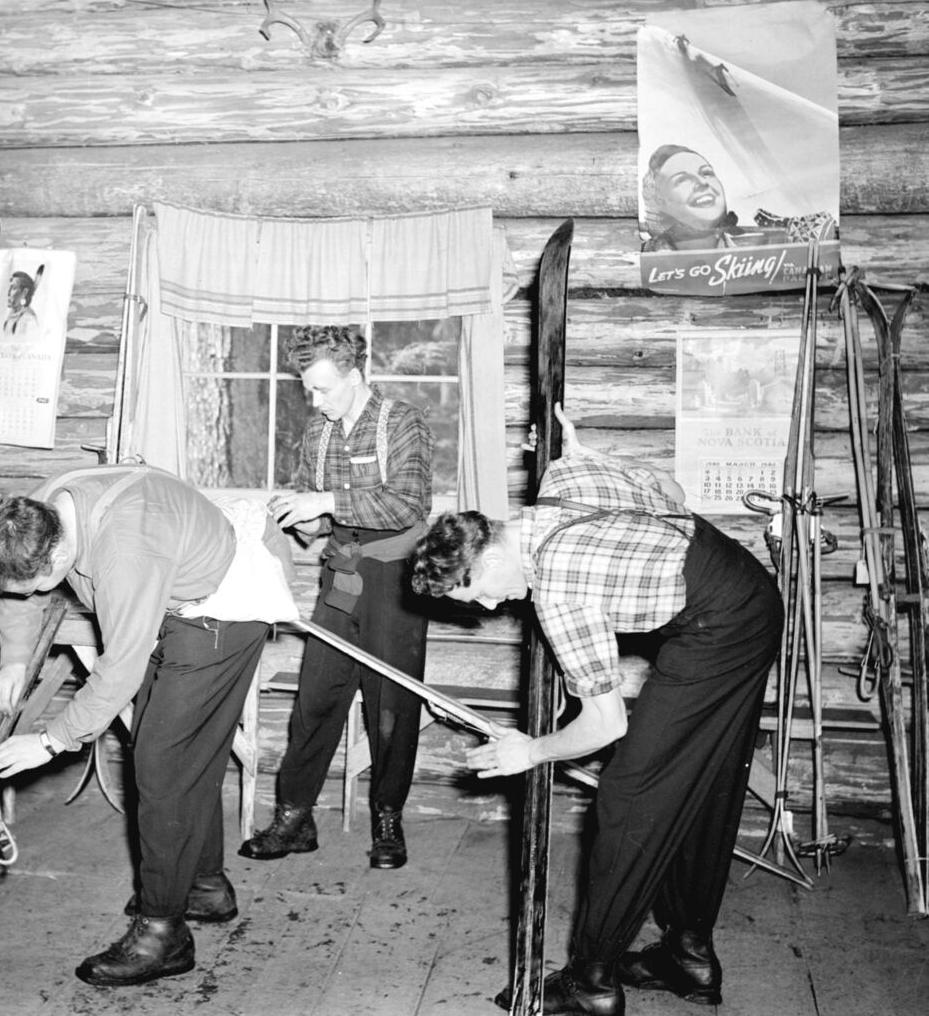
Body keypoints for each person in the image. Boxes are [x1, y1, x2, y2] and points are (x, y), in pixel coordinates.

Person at [409, 407, 781, 1015]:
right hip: (745, 586)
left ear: (491, 559)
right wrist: (582, 449)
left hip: (722, 629)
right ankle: (687, 955)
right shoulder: (562, 476)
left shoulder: (558, 590)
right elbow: (671, 490)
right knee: (699, 782)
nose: (490, 607)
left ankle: (592, 980)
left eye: (478, 594)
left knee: (630, 794)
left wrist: (531, 751)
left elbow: (606, 724)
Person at [0, 464, 296, 987]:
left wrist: (52, 740)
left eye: (39, 584)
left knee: (162, 765)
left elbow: (121, 667)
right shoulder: (34, 512)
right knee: (177, 755)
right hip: (176, 578)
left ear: (59, 555)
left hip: (225, 605)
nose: (32, 592)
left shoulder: (125, 552)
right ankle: (203, 886)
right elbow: (18, 593)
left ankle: (164, 935)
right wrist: (13, 659)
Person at [238, 326, 434, 870]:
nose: (315, 401)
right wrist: (301, 518)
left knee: (391, 705)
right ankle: (295, 816)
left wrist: (323, 502)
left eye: (324, 389)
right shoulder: (318, 431)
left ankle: (388, 819)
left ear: (355, 374)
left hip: (396, 579)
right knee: (316, 698)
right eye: (309, 389)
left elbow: (407, 505)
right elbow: (320, 516)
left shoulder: (403, 421)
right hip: (341, 573)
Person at [640, 144, 808, 253]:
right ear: (660, 201)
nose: (702, 183)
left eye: (706, 173)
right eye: (682, 180)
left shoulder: (760, 250)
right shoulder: (649, 259)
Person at [2, 268, 41, 336]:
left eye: (13, 288)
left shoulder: (29, 320)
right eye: (9, 288)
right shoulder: (11, 315)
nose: (8, 293)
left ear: (24, 292)